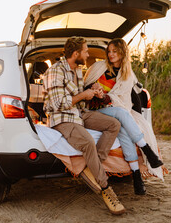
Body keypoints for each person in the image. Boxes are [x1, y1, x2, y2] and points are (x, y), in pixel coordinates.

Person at [42, 36, 125, 215]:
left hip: (79, 113)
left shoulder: (78, 70)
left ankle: (92, 168)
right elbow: (57, 104)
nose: (88, 55)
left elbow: (79, 96)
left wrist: (93, 90)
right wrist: (83, 95)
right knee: (87, 141)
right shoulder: (55, 71)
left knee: (114, 124)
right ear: (76, 53)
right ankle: (105, 188)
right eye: (86, 51)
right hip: (62, 118)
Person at [84, 38, 164, 195]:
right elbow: (84, 87)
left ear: (122, 53)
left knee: (122, 127)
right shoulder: (98, 67)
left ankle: (136, 176)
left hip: (112, 109)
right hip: (95, 111)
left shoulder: (127, 74)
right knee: (121, 114)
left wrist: (104, 97)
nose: (111, 54)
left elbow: (122, 100)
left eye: (115, 51)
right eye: (109, 51)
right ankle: (147, 150)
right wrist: (95, 90)